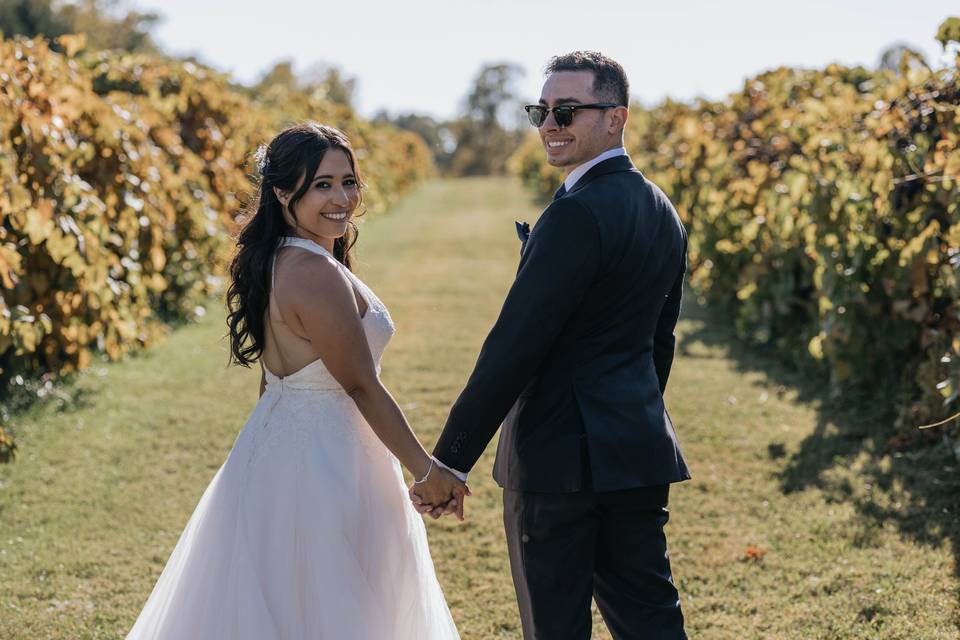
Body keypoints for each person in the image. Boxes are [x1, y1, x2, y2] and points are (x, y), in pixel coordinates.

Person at [125, 122, 465, 639]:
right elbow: (361, 386)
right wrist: (428, 470)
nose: (342, 198)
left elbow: (274, 379)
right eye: (322, 185)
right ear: (284, 192)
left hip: (289, 446)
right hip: (322, 461)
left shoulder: (283, 258)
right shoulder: (313, 272)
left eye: (348, 181)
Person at [411, 52, 690, 639]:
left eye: (566, 110)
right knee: (651, 621)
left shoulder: (574, 214)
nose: (549, 125)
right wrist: (629, 418)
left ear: (616, 118)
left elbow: (514, 347)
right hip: (636, 451)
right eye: (540, 110)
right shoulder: (664, 211)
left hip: (558, 465)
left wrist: (451, 459)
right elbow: (658, 345)